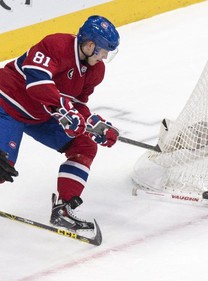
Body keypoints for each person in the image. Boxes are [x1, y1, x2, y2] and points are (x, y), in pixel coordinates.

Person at [0, 15, 120, 231]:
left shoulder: (95, 71)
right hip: (7, 103)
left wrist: (93, 122)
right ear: (90, 45)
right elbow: (36, 84)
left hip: (40, 114)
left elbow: (77, 103)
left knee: (84, 146)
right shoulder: (56, 44)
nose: (104, 56)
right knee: (1, 168)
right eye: (103, 51)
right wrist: (63, 107)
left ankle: (64, 209)